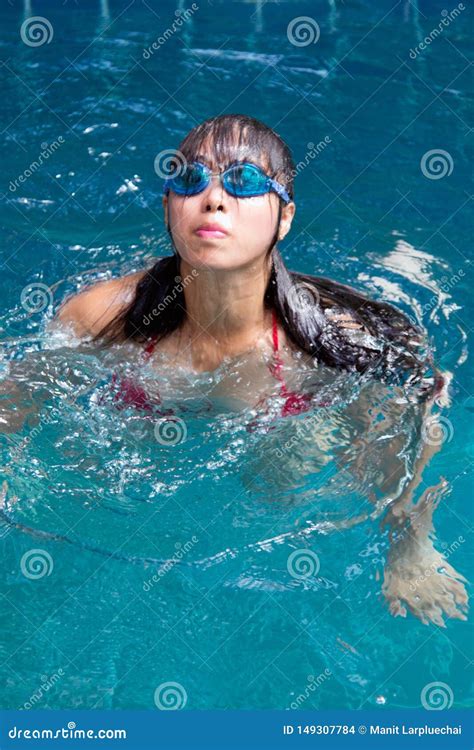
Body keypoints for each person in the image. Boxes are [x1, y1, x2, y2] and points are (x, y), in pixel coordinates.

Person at [53, 113, 467, 625]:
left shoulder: (330, 346)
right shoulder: (100, 317)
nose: (213, 198)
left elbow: (422, 410)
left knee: (282, 478)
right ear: (168, 207)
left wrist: (409, 544)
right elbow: (19, 393)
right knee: (108, 466)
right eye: (190, 179)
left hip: (282, 427)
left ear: (285, 217)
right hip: (149, 447)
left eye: (244, 181)